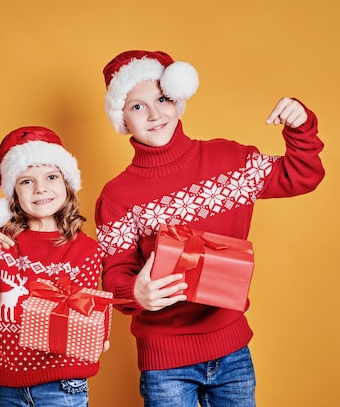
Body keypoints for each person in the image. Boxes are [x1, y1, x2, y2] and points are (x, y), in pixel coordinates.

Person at [95, 50, 325, 407]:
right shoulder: (116, 196)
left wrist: (300, 126)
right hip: (164, 362)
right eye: (137, 107)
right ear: (122, 117)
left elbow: (301, 176)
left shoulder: (229, 162)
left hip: (232, 350)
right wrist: (135, 293)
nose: (155, 114)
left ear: (178, 100)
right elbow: (114, 276)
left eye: (163, 98)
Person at [0, 126, 104, 407]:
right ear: (13, 191)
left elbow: (84, 312)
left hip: (61, 382)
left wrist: (95, 335)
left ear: (67, 184)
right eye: (26, 181)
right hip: (9, 383)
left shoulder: (85, 249)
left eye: (51, 176)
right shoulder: (1, 240)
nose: (40, 188)